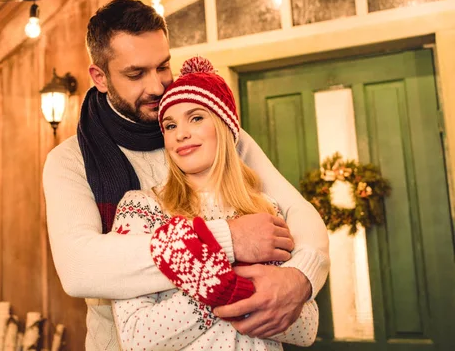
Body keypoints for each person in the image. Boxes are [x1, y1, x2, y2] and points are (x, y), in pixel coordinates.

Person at [42, 0, 329, 351]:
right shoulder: (70, 161)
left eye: (163, 66)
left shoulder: (218, 135)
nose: (158, 86)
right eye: (136, 74)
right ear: (100, 77)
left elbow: (297, 212)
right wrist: (227, 243)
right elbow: (79, 268)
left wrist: (300, 278)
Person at [110, 56, 319, 350]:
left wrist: (208, 280)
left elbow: (307, 327)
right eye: (169, 126)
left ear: (224, 125)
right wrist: (221, 287)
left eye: (196, 118)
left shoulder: (265, 210)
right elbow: (135, 338)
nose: (180, 133)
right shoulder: (143, 209)